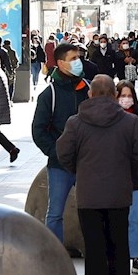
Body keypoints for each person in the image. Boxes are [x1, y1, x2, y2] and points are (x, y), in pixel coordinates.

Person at [57, 75, 138, 275]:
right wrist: (125, 167)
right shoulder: (130, 122)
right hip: (119, 190)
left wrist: (79, 170)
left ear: (90, 94)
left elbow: (64, 154)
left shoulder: (75, 123)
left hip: (88, 192)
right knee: (118, 238)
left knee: (94, 241)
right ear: (114, 95)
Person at [32, 42, 91, 243]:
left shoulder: (89, 89)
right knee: (55, 212)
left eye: (79, 58)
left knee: (91, 211)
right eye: (73, 59)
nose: (78, 62)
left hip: (89, 163)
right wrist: (56, 152)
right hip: (60, 165)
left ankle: (93, 250)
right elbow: (38, 130)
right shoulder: (50, 94)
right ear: (60, 63)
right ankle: (54, 252)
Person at [115, 80, 138, 275]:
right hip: (112, 176)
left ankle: (137, 255)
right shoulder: (109, 118)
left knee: (134, 215)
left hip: (133, 176)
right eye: (122, 96)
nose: (126, 99)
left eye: (129, 96)